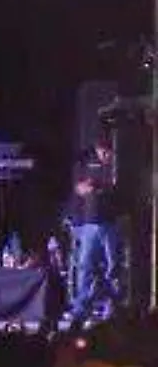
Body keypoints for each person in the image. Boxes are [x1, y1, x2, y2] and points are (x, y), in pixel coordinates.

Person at [68, 136, 121, 323]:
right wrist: (89, 186)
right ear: (97, 150)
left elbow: (117, 189)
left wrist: (101, 186)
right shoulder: (86, 164)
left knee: (112, 267)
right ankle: (81, 309)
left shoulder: (116, 167)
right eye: (102, 151)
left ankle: (112, 308)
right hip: (90, 224)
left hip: (110, 223)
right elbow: (79, 188)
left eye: (108, 151)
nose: (105, 154)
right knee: (85, 267)